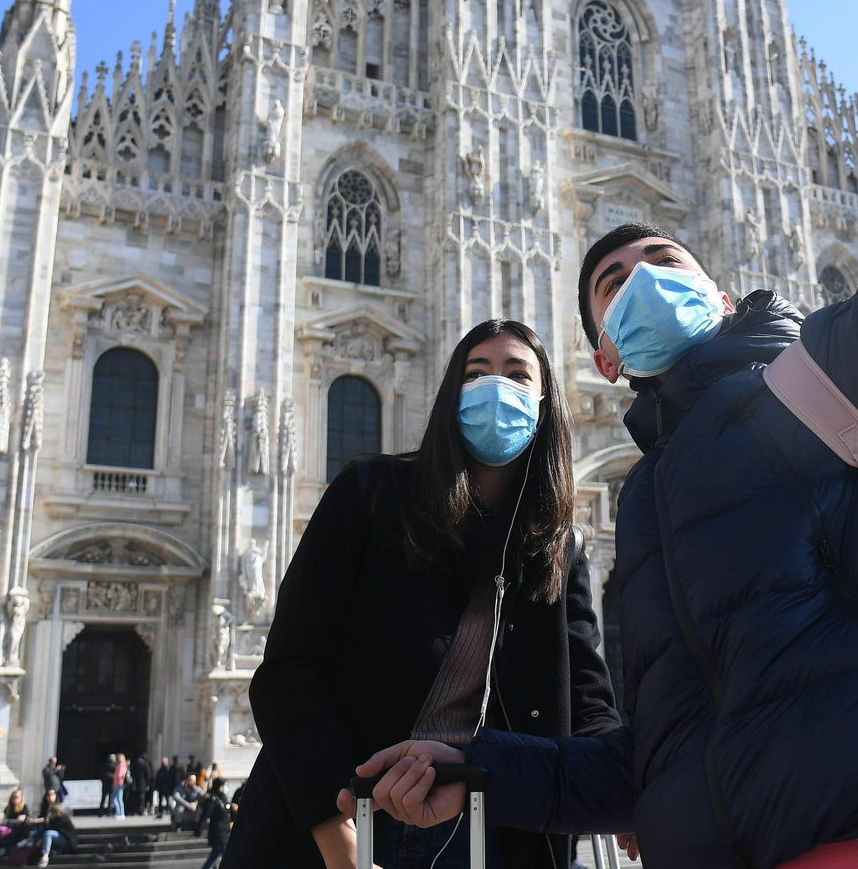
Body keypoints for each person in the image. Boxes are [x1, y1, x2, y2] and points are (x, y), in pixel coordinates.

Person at [348, 0, 858, 869]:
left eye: (661, 257)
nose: (639, 281)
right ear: (603, 359)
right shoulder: (646, 501)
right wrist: (474, 768)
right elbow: (668, 753)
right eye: (610, 285)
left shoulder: (824, 378)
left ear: (721, 292)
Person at [225, 318, 621, 869]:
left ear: (547, 401)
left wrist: (629, 791)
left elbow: (586, 699)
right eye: (475, 373)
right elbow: (289, 674)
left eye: (517, 375)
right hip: (344, 815)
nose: (496, 389)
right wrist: (341, 844)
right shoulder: (370, 496)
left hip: (488, 822)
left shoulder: (557, 544)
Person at [29, 802, 76, 868]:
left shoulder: (63, 819)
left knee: (48, 833)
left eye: (49, 812)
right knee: (46, 836)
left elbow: (53, 829)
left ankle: (45, 856)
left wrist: (42, 839)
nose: (48, 813)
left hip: (67, 841)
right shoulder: (53, 820)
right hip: (59, 840)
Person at [199, 779, 232, 869]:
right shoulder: (213, 799)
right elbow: (205, 815)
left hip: (224, 832)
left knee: (215, 856)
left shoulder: (223, 798)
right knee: (227, 856)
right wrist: (199, 830)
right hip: (218, 833)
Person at [110, 753, 128, 819]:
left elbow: (119, 775)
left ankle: (120, 812)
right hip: (118, 784)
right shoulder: (123, 765)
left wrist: (113, 776)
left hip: (118, 784)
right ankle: (119, 812)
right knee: (115, 798)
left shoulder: (120, 765)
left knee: (117, 798)